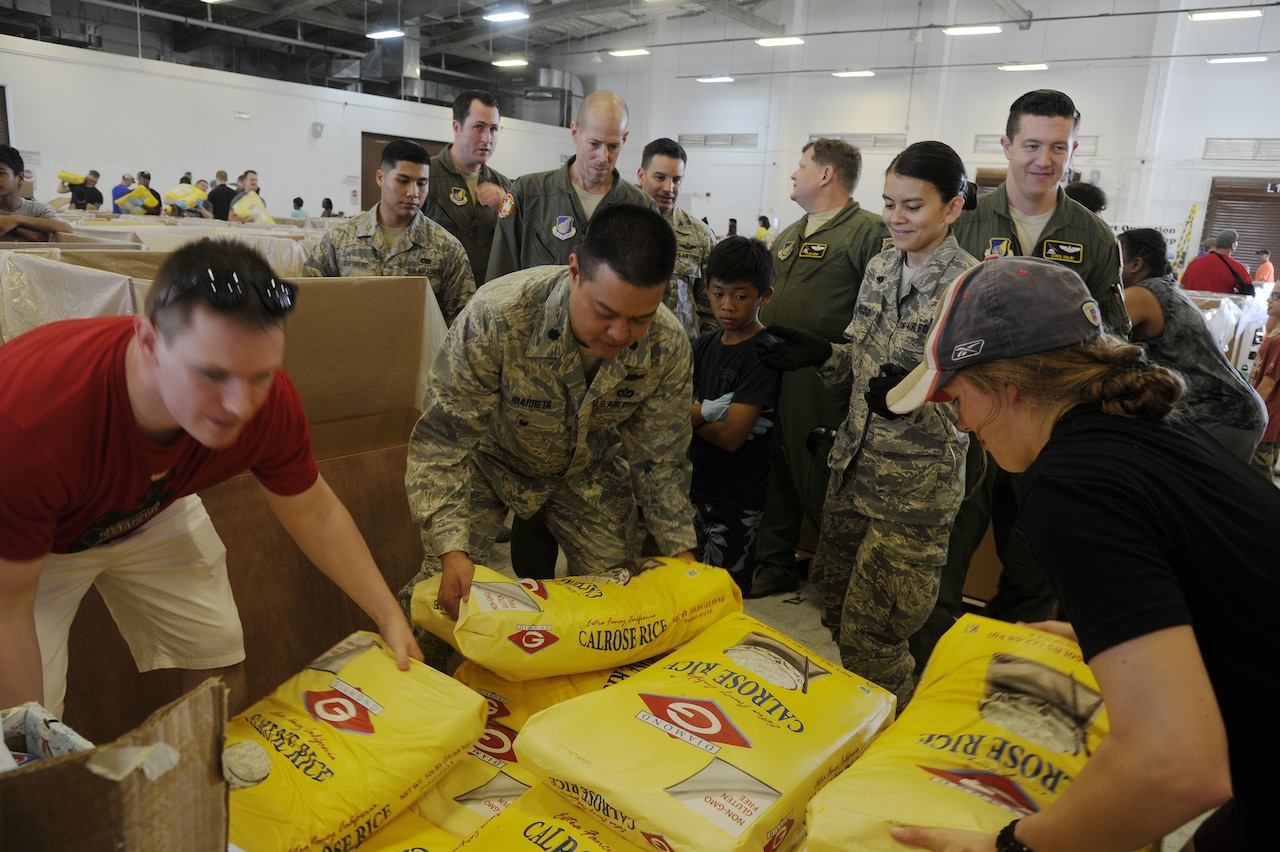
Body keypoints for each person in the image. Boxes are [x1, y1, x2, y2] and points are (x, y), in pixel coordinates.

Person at [886, 255, 1276, 852]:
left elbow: (1174, 766)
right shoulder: (1147, 426)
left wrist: (1012, 846)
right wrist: (1121, 632)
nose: (960, 423)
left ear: (1006, 386)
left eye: (954, 396)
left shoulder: (1070, 483)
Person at [0, 238, 421, 717]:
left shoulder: (265, 400)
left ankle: (208, 771)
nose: (240, 406)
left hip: (154, 506)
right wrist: (31, 755)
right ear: (149, 343)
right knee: (28, 721)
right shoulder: (30, 422)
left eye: (260, 375)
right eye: (212, 375)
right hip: (35, 549)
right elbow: (7, 611)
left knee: (217, 653)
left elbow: (316, 511)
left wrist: (388, 615)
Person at [397, 205, 696, 667]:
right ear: (575, 271)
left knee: (615, 610)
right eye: (606, 313)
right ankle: (409, 690)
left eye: (641, 319)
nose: (621, 334)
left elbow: (661, 459)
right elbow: (444, 440)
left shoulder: (667, 344)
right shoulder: (497, 316)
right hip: (489, 461)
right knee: (444, 598)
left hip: (586, 471)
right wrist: (452, 548)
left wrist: (680, 551)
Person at [757, 141, 976, 707]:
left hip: (914, 492)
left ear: (951, 209)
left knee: (875, 636)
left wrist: (913, 398)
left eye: (913, 207)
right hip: (853, 470)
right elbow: (859, 355)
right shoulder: (881, 266)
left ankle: (893, 746)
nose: (896, 219)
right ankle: (863, 718)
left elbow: (982, 400)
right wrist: (821, 354)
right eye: (889, 203)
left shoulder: (971, 289)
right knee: (834, 603)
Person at [918, 89, 1130, 662]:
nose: (1044, 159)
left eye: (1057, 147)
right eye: (1032, 144)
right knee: (942, 551)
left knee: (1037, 561)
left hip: (1049, 431)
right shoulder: (961, 222)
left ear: (1072, 149)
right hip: (966, 423)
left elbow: (1114, 335)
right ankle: (934, 671)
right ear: (1007, 145)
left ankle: (1007, 673)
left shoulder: (1093, 237)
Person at [747, 138, 888, 599]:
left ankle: (839, 582)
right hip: (780, 375)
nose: (793, 174)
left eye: (801, 165)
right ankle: (775, 563)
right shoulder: (790, 235)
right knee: (776, 471)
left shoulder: (868, 233)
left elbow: (882, 315)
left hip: (829, 383)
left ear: (826, 174)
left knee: (825, 478)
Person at [1118, 228, 1266, 460]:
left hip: (1221, 415)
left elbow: (1099, 342)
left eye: (1114, 256)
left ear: (1136, 264)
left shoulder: (1140, 294)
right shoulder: (1164, 286)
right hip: (1232, 412)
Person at [487, 90, 655, 282]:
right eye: (594, 144)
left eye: (613, 147)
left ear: (624, 139)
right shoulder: (528, 195)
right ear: (575, 132)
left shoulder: (642, 209)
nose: (603, 157)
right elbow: (497, 287)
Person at [303, 139, 476, 325]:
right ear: (380, 177)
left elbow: (461, 326)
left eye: (422, 183)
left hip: (420, 353)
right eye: (403, 181)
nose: (413, 192)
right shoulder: (340, 241)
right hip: (351, 350)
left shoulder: (446, 248)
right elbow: (308, 304)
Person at [689, 236, 779, 592]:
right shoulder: (704, 344)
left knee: (721, 594)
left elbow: (731, 436)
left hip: (738, 496)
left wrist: (690, 417)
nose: (726, 306)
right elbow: (668, 411)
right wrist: (701, 414)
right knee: (686, 587)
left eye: (740, 296)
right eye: (717, 293)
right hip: (696, 487)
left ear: (764, 296)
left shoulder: (764, 353)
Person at [422, 89, 511, 285]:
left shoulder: (505, 186)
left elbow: (518, 247)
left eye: (494, 129)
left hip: (484, 301)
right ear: (456, 127)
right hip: (437, 299)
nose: (487, 138)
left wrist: (506, 209)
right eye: (479, 127)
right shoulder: (425, 177)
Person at [637, 137, 716, 337]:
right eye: (660, 177)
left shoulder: (700, 235)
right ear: (641, 175)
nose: (669, 188)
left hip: (678, 357)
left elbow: (712, 311)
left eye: (676, 180)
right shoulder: (615, 224)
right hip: (621, 354)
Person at [0, 146, 72, 241]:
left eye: (1, 173)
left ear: (20, 178)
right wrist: (19, 231)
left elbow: (66, 229)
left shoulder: (38, 210)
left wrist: (16, 220)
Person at [1249, 292, 1280, 479]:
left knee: (1258, 476)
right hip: (1267, 416)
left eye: (1277, 296)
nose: (1269, 299)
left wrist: (1249, 413)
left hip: (1266, 417)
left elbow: (1268, 385)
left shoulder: (1278, 343)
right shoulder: (1273, 333)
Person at [1181, 228, 1254, 295]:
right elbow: (1249, 293)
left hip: (1191, 307)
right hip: (1219, 308)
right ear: (1233, 246)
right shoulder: (1237, 267)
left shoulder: (1194, 263)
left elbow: (1182, 287)